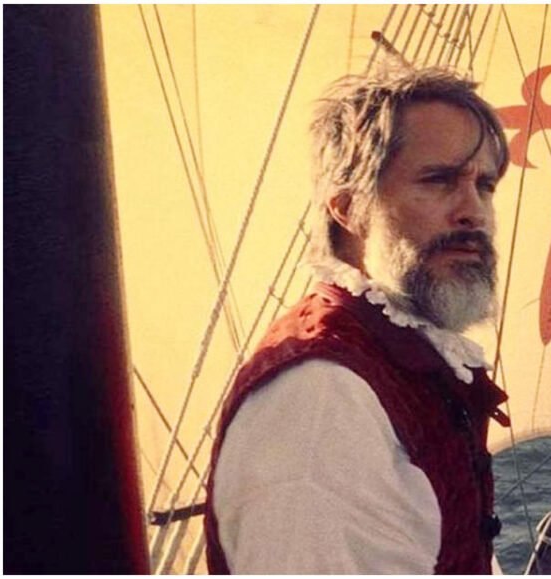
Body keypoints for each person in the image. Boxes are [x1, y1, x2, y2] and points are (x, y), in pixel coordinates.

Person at [203, 65, 512, 574]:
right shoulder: (321, 402)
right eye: (439, 180)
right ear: (349, 209)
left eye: (485, 185)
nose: (473, 211)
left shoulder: (396, 358)